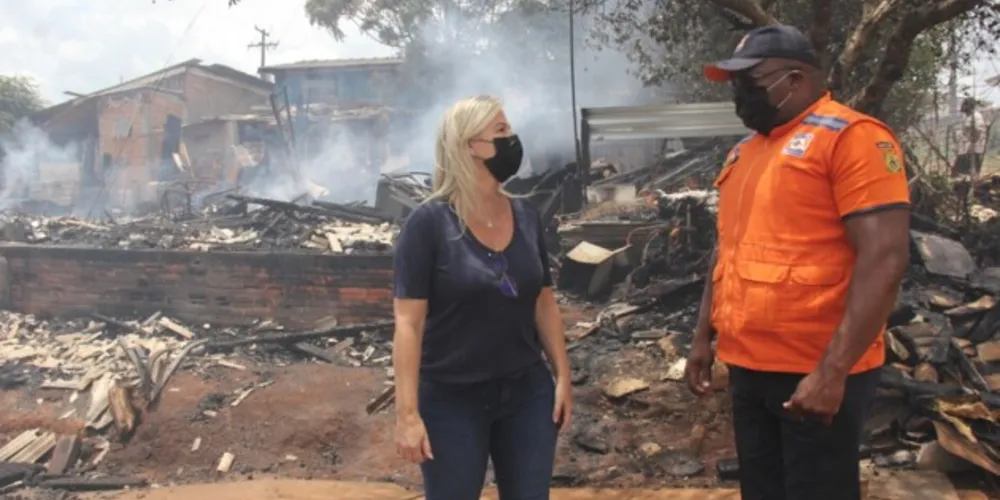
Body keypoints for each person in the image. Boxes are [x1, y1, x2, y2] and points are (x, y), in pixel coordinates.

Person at [687, 25, 911, 500]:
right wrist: (703, 334)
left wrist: (832, 373)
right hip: (749, 367)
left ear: (795, 79)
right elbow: (728, 249)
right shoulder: (743, 153)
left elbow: (885, 257)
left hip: (816, 371)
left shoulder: (853, 139)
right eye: (734, 83)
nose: (739, 94)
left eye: (751, 80)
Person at [391, 95, 573, 500]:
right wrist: (407, 415)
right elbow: (408, 323)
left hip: (527, 393)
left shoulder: (526, 216)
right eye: (501, 131)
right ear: (470, 145)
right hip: (452, 398)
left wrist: (562, 376)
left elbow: (544, 301)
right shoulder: (428, 224)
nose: (513, 140)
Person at [953, 97, 987, 177]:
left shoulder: (976, 116)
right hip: (965, 149)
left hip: (971, 149)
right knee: (961, 172)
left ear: (969, 105)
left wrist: (972, 145)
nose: (962, 106)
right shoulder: (968, 117)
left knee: (967, 173)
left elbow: (977, 131)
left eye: (964, 104)